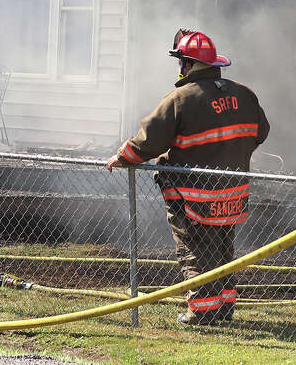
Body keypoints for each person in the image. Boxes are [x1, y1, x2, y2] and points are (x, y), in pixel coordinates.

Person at [107, 29, 269, 326]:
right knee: (223, 251)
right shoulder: (244, 95)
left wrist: (123, 157)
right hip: (232, 195)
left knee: (195, 251)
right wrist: (231, 152)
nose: (179, 67)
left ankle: (202, 312)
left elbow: (149, 140)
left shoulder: (181, 99)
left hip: (194, 196)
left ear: (188, 64)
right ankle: (224, 308)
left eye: (181, 61)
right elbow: (261, 132)